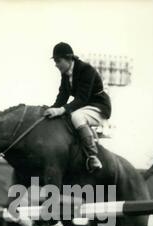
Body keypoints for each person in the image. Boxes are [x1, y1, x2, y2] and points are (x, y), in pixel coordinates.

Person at [44, 42, 111, 172]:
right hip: (85, 107)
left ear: (69, 58)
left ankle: (93, 156)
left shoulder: (86, 70)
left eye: (58, 61)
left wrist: (60, 110)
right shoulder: (65, 74)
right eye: (55, 61)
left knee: (76, 116)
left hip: (99, 107)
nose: (56, 64)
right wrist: (50, 109)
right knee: (67, 116)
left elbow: (82, 99)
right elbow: (62, 97)